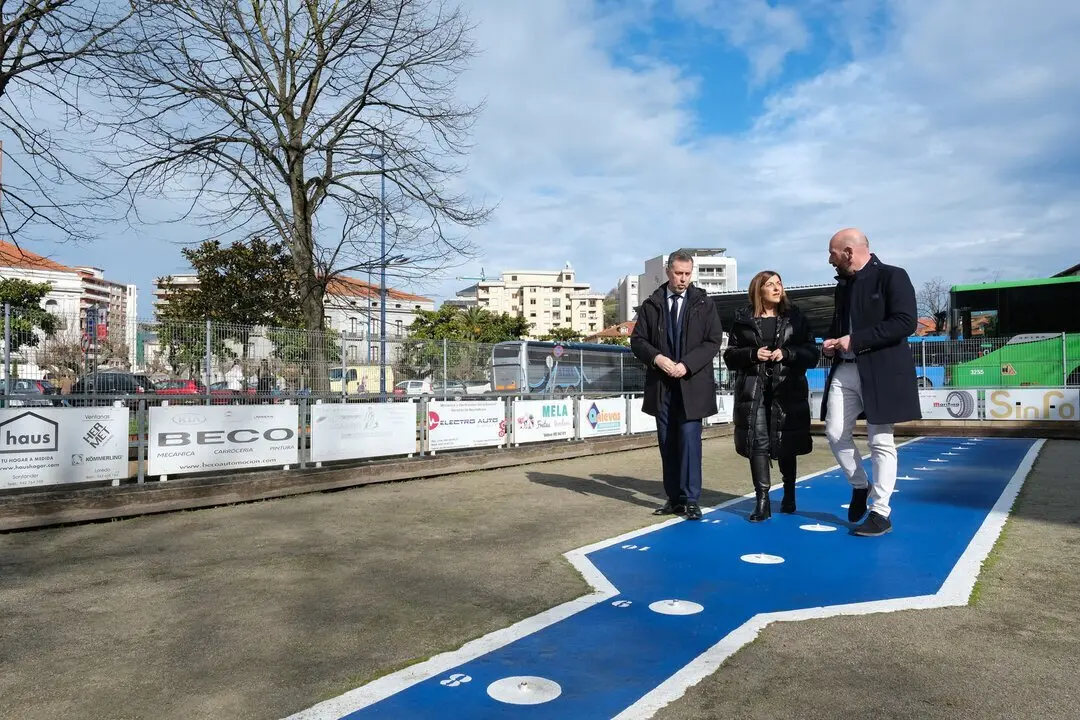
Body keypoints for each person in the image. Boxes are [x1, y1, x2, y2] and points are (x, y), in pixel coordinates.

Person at [822, 228, 921, 537]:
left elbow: (906, 322)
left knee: (881, 441)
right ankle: (860, 486)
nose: (830, 260)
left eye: (833, 254)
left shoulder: (893, 276)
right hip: (846, 368)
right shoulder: (843, 286)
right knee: (835, 432)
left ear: (849, 252)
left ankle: (880, 512)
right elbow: (842, 326)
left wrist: (856, 339)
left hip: (880, 370)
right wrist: (832, 341)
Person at [631, 249, 724, 521]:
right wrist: (657, 358)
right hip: (662, 386)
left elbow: (713, 340)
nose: (683, 279)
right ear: (668, 272)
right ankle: (673, 499)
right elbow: (638, 341)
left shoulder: (704, 303)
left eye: (687, 274)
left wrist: (687, 365)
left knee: (690, 442)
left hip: (692, 384)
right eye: (678, 273)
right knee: (667, 442)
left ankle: (692, 499)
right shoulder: (652, 304)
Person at [723, 270, 820, 521]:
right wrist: (753, 354)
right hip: (753, 392)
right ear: (759, 290)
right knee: (758, 443)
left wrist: (787, 354)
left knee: (786, 441)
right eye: (770, 285)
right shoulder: (743, 319)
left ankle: (789, 493)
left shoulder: (795, 318)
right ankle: (762, 500)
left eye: (779, 284)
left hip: (787, 390)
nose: (777, 288)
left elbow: (812, 354)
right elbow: (730, 357)